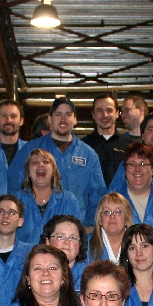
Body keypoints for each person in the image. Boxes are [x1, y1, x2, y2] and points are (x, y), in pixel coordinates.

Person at [10, 97, 106, 226]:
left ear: (75, 119)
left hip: (75, 228)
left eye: (68, 114)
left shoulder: (88, 155)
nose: (63, 119)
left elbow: (98, 196)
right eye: (58, 114)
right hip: (34, 228)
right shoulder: (30, 150)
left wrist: (90, 226)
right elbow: (13, 187)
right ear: (50, 119)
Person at [14, 148, 82, 245]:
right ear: (28, 173)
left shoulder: (68, 200)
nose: (40, 165)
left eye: (46, 162)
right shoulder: (16, 200)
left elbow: (76, 237)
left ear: (54, 171)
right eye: (35, 162)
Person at [0, 194, 34, 301]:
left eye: (11, 212)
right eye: (0, 211)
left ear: (20, 221)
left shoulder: (31, 253)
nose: (5, 216)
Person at [82, 94, 127, 186]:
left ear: (117, 113)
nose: (105, 115)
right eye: (99, 110)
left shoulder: (129, 146)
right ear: (93, 115)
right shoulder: (82, 146)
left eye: (109, 110)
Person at [41, 214, 88, 289]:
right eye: (60, 237)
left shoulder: (90, 276)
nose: (67, 242)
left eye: (73, 238)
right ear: (48, 242)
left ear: (79, 244)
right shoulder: (36, 272)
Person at [87, 192, 133, 264]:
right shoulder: (86, 244)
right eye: (107, 212)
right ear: (100, 219)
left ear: (127, 219)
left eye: (118, 212)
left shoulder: (136, 244)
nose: (112, 216)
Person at [0, 99, 26, 167]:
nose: (8, 120)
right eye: (4, 116)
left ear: (21, 121)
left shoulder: (29, 150)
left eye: (13, 116)